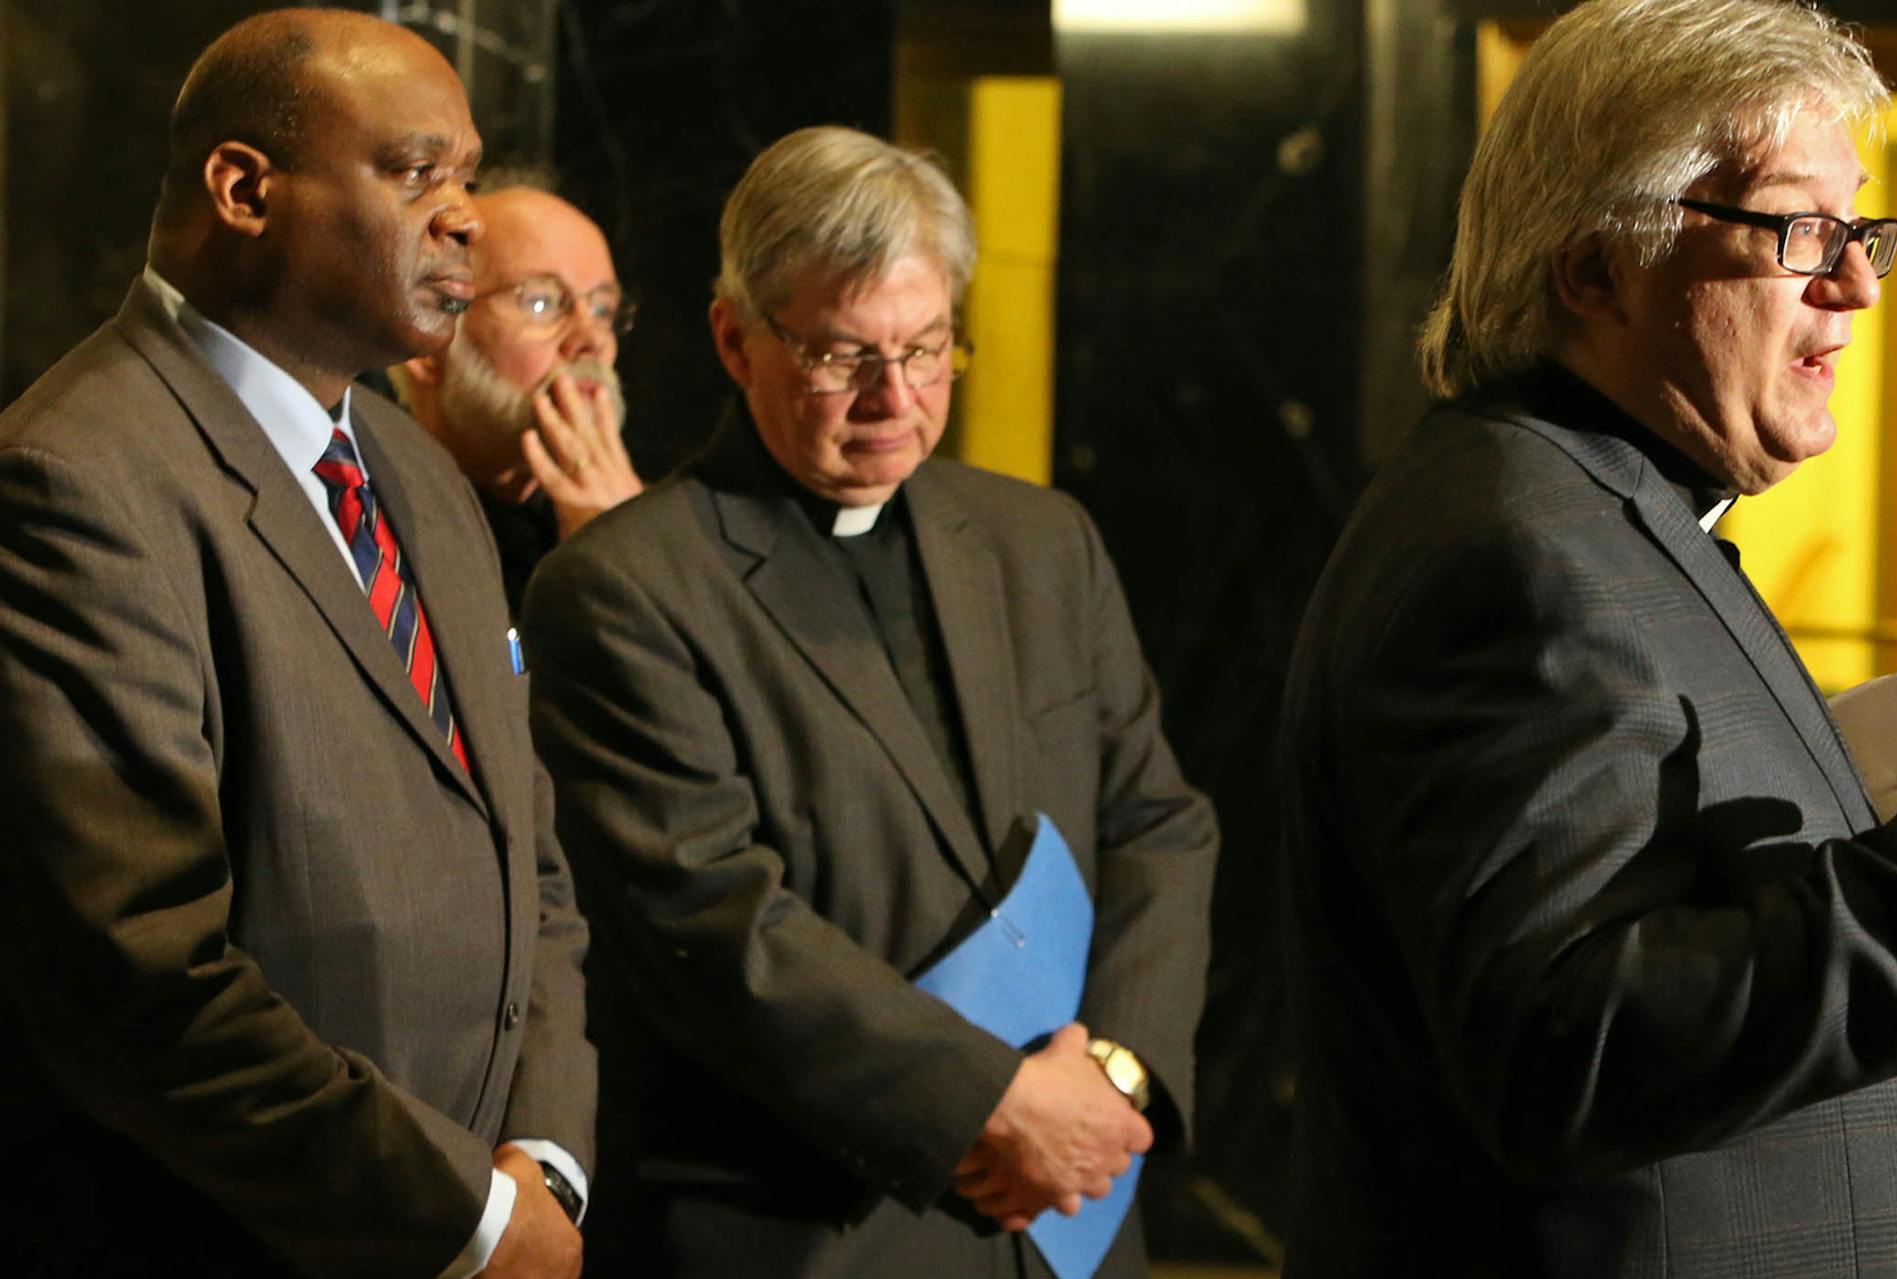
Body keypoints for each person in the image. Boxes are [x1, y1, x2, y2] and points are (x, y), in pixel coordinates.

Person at [1278, 1, 1897, 1275]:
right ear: (1595, 270)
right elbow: (1568, 1044)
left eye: (1857, 229)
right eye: (1798, 228)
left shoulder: (1610, 513)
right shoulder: (1511, 556)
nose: (1856, 280)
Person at [519, 124, 1218, 1277]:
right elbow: (715, 919)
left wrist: (1115, 1077)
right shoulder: (623, 587)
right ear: (733, 339)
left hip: (1076, 1210)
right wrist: (991, 1107)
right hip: (813, 1230)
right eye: (844, 357)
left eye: (929, 347)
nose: (895, 397)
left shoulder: (1040, 541)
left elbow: (1158, 820)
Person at [0, 11, 594, 1277]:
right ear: (244, 189)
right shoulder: (76, 481)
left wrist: (542, 1164)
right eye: (415, 170)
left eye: (471, 175)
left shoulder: (421, 480)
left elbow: (528, 864)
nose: (468, 218)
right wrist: (468, 1220)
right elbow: (143, 971)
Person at [389, 180, 641, 615]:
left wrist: (638, 554)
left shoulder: (661, 523)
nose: (591, 339)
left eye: (602, 309)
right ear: (426, 347)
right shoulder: (367, 524)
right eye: (541, 302)